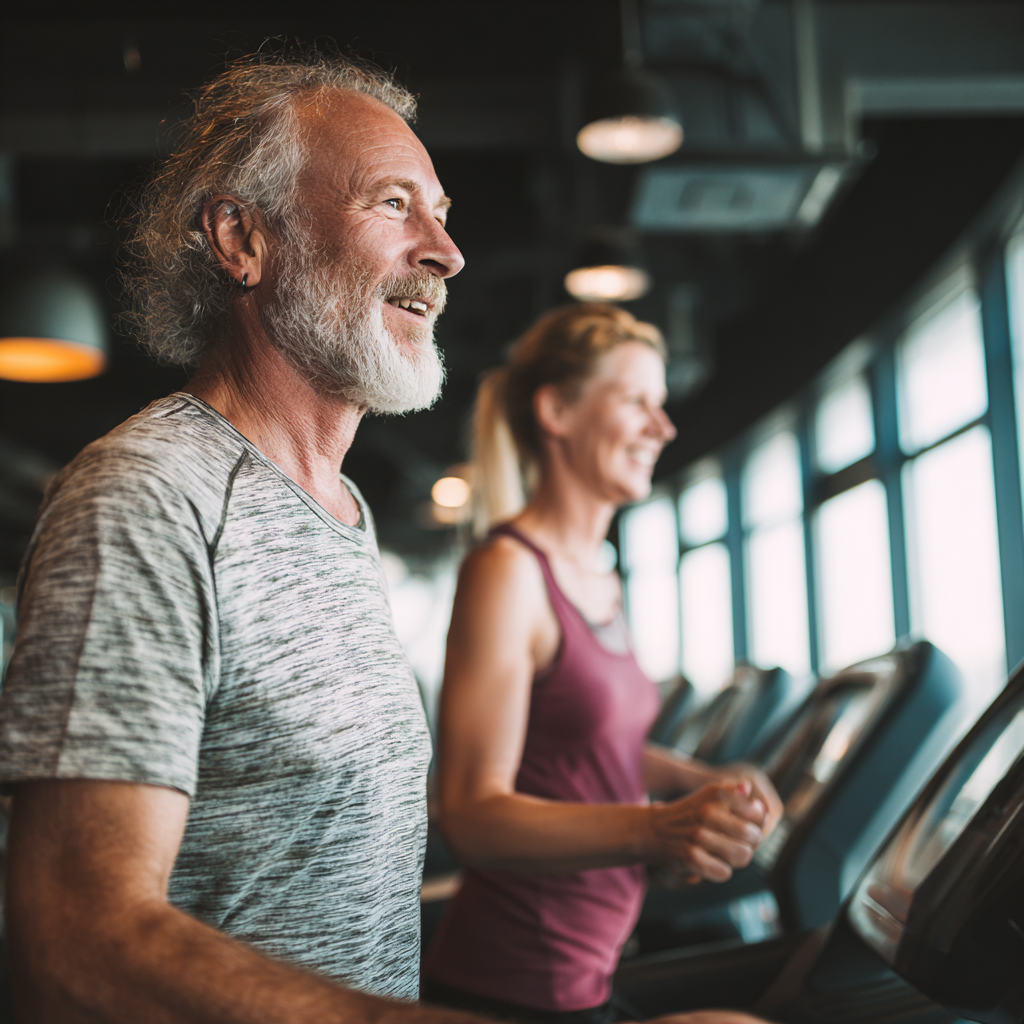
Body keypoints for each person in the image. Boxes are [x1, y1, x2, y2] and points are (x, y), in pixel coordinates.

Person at [0, 48, 779, 1024]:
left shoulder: (338, 511)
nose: (446, 252)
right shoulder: (149, 496)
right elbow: (73, 944)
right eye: (393, 204)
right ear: (243, 239)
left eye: (442, 213)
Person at [422, 304, 785, 1022]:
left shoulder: (600, 578)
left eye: (663, 404)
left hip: (594, 968)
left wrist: (698, 782)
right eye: (636, 401)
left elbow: (589, 746)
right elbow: (470, 815)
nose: (664, 426)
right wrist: (659, 829)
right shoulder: (508, 571)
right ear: (557, 410)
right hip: (517, 987)